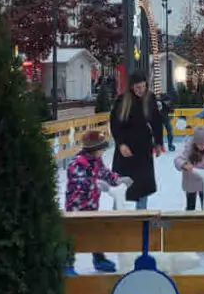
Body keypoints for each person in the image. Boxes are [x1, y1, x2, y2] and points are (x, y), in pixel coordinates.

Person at [66, 130, 130, 273]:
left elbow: (105, 173)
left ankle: (99, 259)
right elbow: (79, 182)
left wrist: (118, 179)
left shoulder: (96, 160)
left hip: (92, 205)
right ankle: (67, 264)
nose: (103, 152)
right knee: (73, 236)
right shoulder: (76, 163)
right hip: (76, 207)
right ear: (93, 149)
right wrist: (97, 184)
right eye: (101, 149)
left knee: (96, 232)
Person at [110, 71, 165, 209]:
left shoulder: (149, 98)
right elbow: (115, 124)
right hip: (126, 150)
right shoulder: (123, 100)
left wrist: (158, 142)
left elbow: (156, 121)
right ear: (131, 87)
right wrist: (121, 144)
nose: (141, 90)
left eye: (143, 86)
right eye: (137, 87)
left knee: (143, 184)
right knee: (122, 184)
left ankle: (141, 214)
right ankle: (117, 214)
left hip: (143, 149)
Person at [174, 126, 204, 211]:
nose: (203, 146)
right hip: (191, 181)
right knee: (190, 206)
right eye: (200, 144)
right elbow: (177, 159)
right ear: (195, 142)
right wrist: (184, 165)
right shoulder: (188, 147)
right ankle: (189, 220)